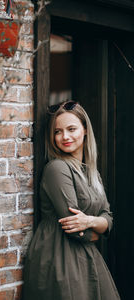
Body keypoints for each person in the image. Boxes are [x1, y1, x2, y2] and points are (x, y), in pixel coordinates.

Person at [22, 100, 120, 300]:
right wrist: (95, 231)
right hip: (59, 257)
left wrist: (91, 221)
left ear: (85, 130)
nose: (64, 136)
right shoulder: (57, 168)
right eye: (57, 131)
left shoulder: (91, 173)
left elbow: (108, 218)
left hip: (85, 256)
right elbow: (76, 228)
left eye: (71, 129)